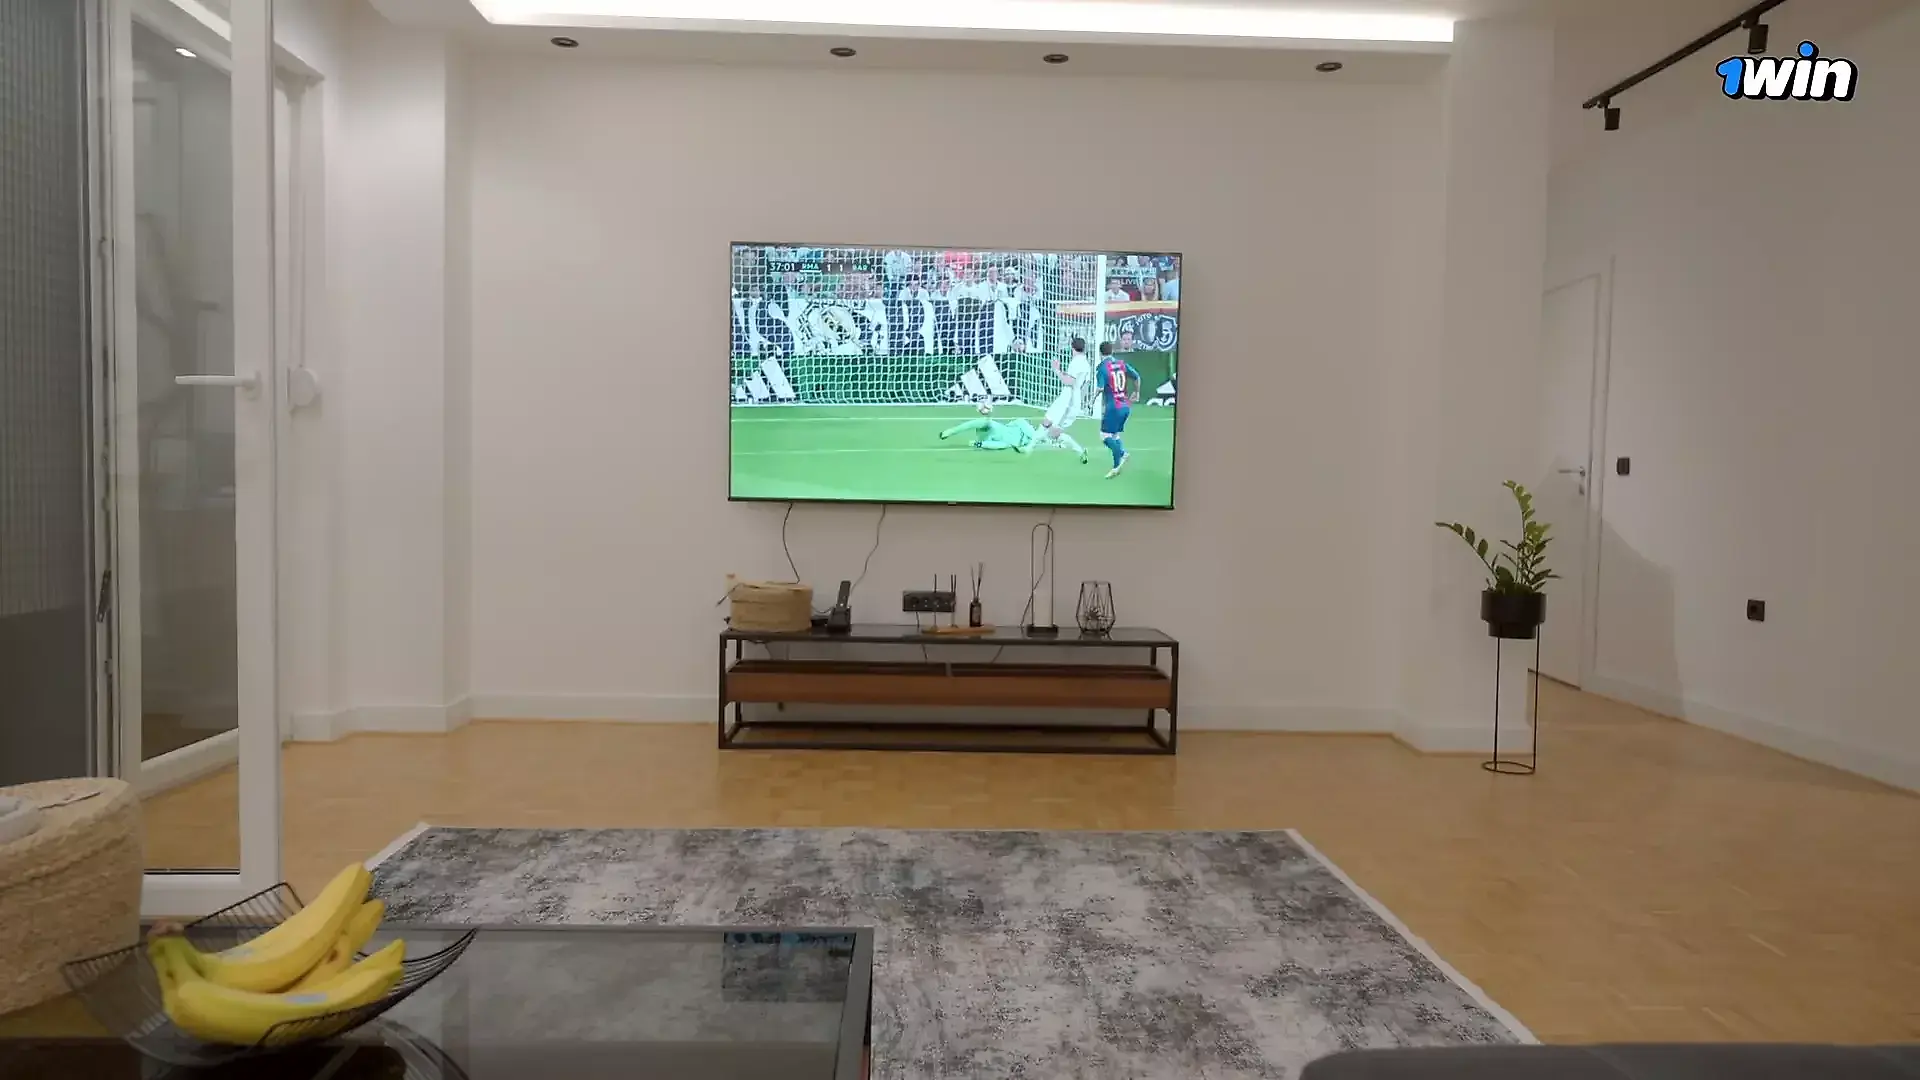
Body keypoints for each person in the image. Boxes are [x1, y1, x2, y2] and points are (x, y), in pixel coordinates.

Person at [1041, 336, 1093, 463]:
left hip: (1069, 400)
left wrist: (1057, 370)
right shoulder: (1086, 364)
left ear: (1072, 348)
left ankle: (1079, 450)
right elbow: (1085, 385)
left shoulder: (1076, 362)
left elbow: (1068, 381)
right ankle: (1036, 444)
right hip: (1074, 399)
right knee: (1046, 422)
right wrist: (1083, 401)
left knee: (1053, 431)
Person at [1094, 341, 1141, 478]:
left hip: (1113, 407)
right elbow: (1137, 376)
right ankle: (1122, 455)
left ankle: (1117, 464)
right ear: (1112, 351)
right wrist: (1137, 392)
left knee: (1105, 436)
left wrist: (1091, 400)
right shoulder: (1121, 364)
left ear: (1100, 353)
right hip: (1125, 406)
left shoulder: (1102, 368)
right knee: (1114, 435)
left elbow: (1100, 388)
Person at [939, 415, 1042, 454]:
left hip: (988, 438)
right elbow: (1031, 433)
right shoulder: (1022, 423)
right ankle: (950, 432)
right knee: (984, 421)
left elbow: (1000, 445)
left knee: (1002, 445)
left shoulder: (1018, 443)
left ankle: (979, 443)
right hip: (993, 427)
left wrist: (980, 444)